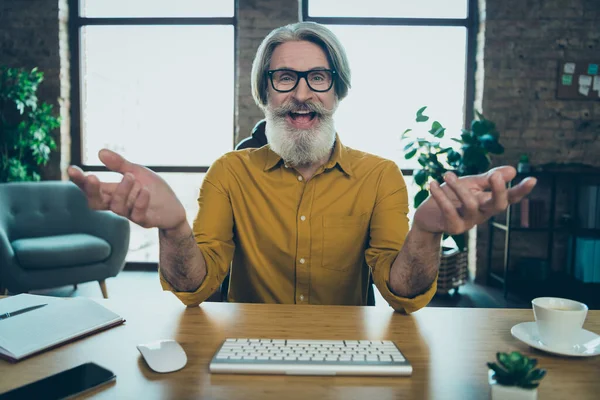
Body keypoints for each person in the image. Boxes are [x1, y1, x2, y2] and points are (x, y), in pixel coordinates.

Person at [68, 22, 536, 313]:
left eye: (318, 77)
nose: (301, 92)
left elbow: (401, 296)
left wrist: (426, 232)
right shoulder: (228, 173)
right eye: (284, 77)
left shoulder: (380, 176)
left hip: (351, 351)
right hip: (245, 350)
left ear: (337, 91)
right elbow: (193, 288)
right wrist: (174, 228)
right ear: (265, 93)